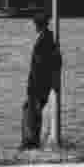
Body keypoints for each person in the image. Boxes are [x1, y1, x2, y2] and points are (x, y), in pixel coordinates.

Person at [21, 12, 61, 149]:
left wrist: (34, 86)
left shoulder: (44, 40)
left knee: (31, 112)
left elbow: (39, 66)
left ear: (37, 25)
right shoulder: (48, 37)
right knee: (32, 112)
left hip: (38, 86)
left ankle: (30, 143)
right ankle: (32, 141)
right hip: (42, 85)